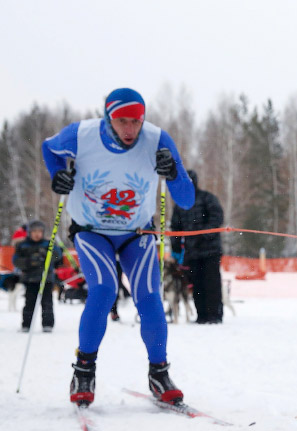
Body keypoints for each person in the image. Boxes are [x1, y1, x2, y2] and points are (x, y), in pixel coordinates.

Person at [41, 87, 194, 407]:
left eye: (136, 121)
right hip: (91, 230)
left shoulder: (157, 140)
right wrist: (58, 175)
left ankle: (159, 373)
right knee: (104, 290)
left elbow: (187, 199)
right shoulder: (80, 135)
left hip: (135, 232)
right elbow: (48, 148)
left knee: (149, 295)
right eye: (122, 121)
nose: (130, 129)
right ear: (109, 117)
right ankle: (84, 371)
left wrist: (174, 173)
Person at [169, 169, 225, 324]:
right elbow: (176, 228)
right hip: (191, 252)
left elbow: (217, 218)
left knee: (211, 282)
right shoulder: (180, 206)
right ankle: (201, 315)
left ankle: (215, 315)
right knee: (196, 283)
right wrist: (176, 250)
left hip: (210, 251)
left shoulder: (208, 198)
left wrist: (204, 235)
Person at [13, 219, 62, 332]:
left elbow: (57, 256)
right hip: (30, 279)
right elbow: (16, 261)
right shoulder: (23, 245)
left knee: (47, 303)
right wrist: (29, 261)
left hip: (46, 279)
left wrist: (49, 253)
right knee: (29, 303)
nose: (37, 234)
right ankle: (26, 325)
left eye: (39, 231)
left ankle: (47, 324)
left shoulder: (48, 244)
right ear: (30, 232)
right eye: (34, 231)